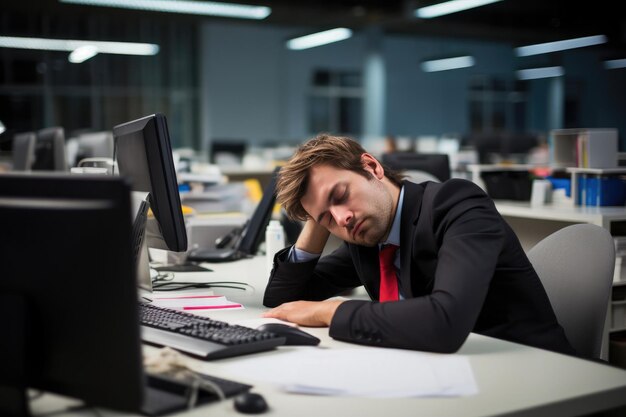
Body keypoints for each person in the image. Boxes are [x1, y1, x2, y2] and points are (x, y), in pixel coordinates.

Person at [262, 134, 575, 355]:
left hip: (532, 371)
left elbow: (445, 321)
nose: (342, 219)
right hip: (446, 371)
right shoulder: (366, 233)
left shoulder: (457, 205)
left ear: (371, 167)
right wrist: (320, 213)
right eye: (326, 218)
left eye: (341, 195)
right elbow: (283, 299)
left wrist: (331, 311)